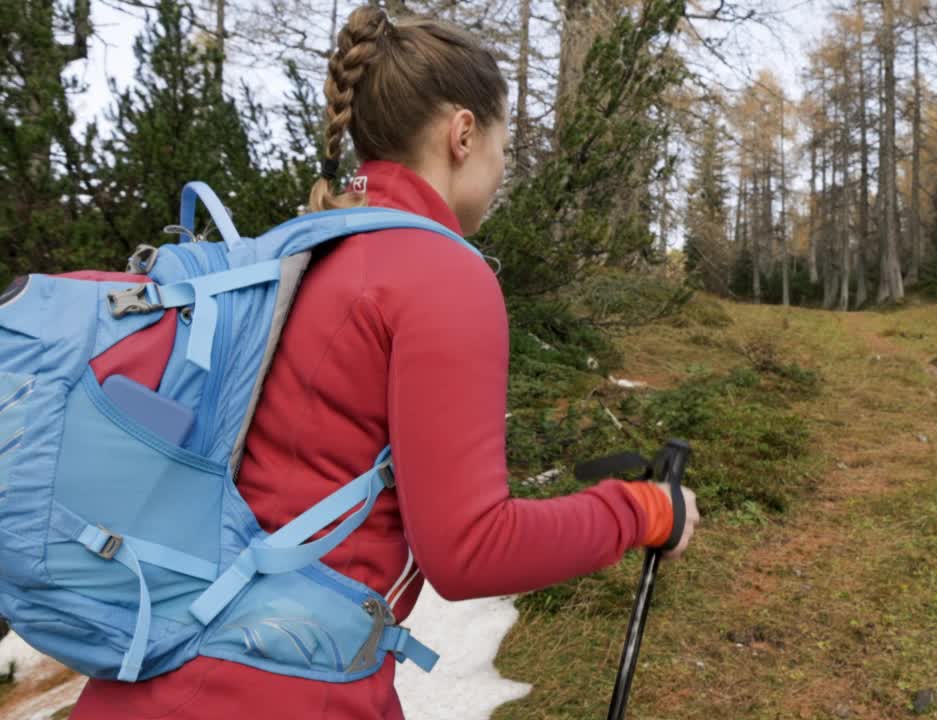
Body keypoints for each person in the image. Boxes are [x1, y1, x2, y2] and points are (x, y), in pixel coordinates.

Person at [70, 6, 699, 718]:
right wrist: (643, 510)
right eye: (503, 147)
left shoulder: (296, 250)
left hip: (154, 671)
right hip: (280, 693)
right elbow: (471, 552)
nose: (500, 173)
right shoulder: (439, 274)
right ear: (462, 134)